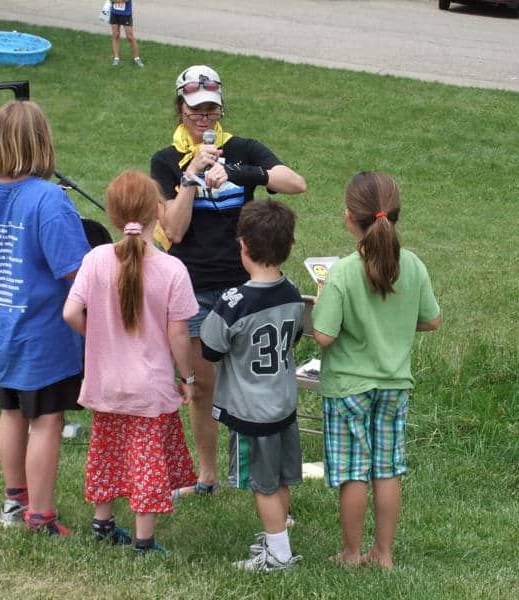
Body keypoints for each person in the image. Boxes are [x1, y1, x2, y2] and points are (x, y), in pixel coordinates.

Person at [150, 64, 307, 495]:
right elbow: (175, 231)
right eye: (196, 110)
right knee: (202, 386)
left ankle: (262, 474)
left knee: (256, 382)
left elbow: (296, 183)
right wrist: (190, 178)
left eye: (212, 110)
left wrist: (240, 173)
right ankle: (208, 473)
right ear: (180, 108)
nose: (204, 118)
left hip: (247, 285)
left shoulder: (244, 148)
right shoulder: (165, 161)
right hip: (195, 286)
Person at [0, 100, 90, 537]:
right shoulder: (48, 199)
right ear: (42, 143)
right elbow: (77, 271)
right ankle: (42, 516)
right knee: (47, 419)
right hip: (43, 332)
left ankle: (15, 502)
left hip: (0, 324)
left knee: (11, 411)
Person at [63, 170, 198, 555]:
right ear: (158, 210)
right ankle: (144, 540)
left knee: (107, 450)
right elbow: (177, 335)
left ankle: (102, 523)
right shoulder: (172, 269)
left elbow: (71, 313)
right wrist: (187, 375)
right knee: (147, 462)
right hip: (149, 386)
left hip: (105, 381)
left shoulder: (96, 259)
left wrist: (99, 337)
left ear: (111, 214)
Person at [311, 171, 441, 569]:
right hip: (394, 386)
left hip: (347, 388)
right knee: (387, 470)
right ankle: (383, 554)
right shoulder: (413, 265)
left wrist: (320, 296)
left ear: (350, 218)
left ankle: (352, 554)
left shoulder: (343, 273)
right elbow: (431, 321)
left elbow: (323, 336)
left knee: (354, 474)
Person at [199, 200, 305, 572]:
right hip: (282, 404)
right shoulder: (293, 292)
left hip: (250, 410)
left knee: (262, 485)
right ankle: (278, 532)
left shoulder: (234, 301)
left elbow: (210, 349)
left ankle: (278, 555)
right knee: (278, 476)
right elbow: (294, 335)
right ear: (288, 246)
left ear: (242, 245)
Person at [109, 1, 143, 67]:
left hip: (126, 13)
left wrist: (115, 1)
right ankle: (116, 58)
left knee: (130, 36)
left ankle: (137, 58)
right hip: (114, 12)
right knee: (115, 34)